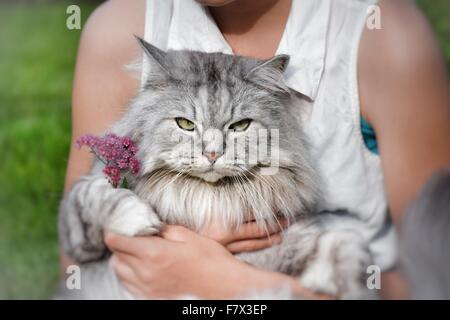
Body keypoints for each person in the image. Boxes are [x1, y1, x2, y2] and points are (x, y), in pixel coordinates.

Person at [62, 0, 450, 299]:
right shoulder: (117, 29)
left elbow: (433, 281)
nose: (212, 154)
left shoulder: (385, 35)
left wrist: (230, 284)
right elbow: (76, 268)